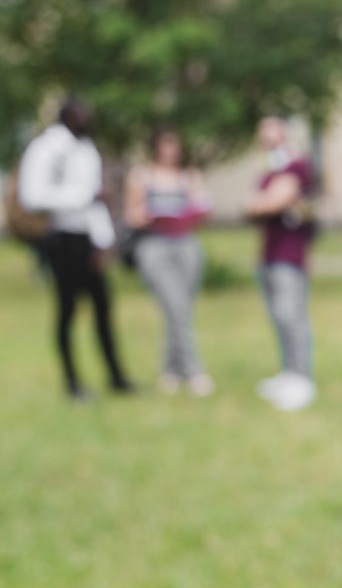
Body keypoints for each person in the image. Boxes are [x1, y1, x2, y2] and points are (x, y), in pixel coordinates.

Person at [18, 97, 133, 400]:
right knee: (68, 309)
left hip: (89, 237)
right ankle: (72, 382)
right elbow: (32, 196)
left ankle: (116, 376)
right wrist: (83, 196)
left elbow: (96, 202)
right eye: (81, 114)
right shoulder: (47, 149)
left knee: (103, 308)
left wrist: (103, 240)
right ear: (67, 116)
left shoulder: (86, 148)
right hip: (63, 237)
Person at [123, 127, 214, 397]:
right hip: (155, 245)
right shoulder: (141, 176)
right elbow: (131, 215)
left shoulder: (189, 176)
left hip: (185, 245)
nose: (170, 151)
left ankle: (170, 372)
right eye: (165, 145)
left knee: (182, 308)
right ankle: (194, 371)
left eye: (174, 145)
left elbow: (201, 208)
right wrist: (150, 213)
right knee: (174, 306)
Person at [246, 116, 318, 411]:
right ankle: (288, 373)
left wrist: (263, 201)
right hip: (269, 253)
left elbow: (272, 201)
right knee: (278, 317)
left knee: (292, 316)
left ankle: (302, 378)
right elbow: (254, 203)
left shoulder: (295, 164)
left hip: (291, 254)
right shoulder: (270, 167)